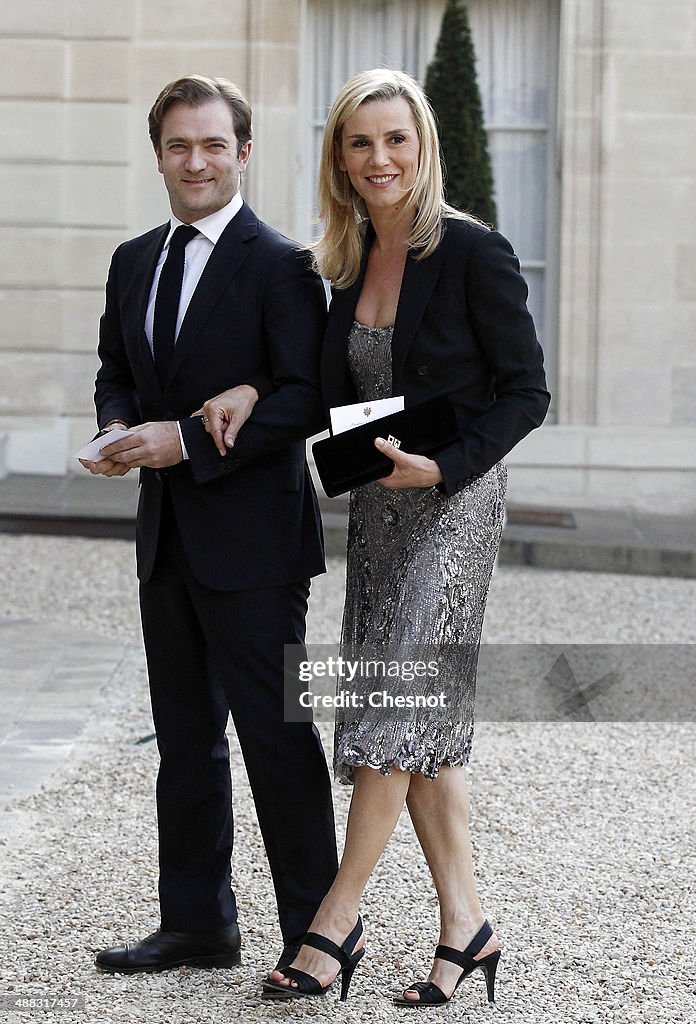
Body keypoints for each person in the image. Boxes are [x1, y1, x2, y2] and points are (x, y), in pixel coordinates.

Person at [262, 68, 550, 1005]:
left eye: (395, 139)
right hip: (383, 512)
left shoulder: (471, 251)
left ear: (422, 146)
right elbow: (335, 395)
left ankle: (333, 923)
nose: (379, 158)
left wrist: (448, 466)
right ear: (338, 158)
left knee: (391, 710)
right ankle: (467, 929)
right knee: (420, 718)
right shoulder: (342, 261)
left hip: (455, 506)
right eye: (359, 142)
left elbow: (527, 393)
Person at [80, 74, 338, 975]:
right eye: (179, 145)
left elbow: (309, 395)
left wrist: (184, 438)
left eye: (213, 145)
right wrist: (117, 428)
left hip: (259, 545)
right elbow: (116, 367)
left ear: (244, 153)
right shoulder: (131, 260)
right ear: (159, 154)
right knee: (185, 739)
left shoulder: (283, 263)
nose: (196, 161)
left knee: (278, 738)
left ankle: (317, 935)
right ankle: (198, 923)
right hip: (168, 541)